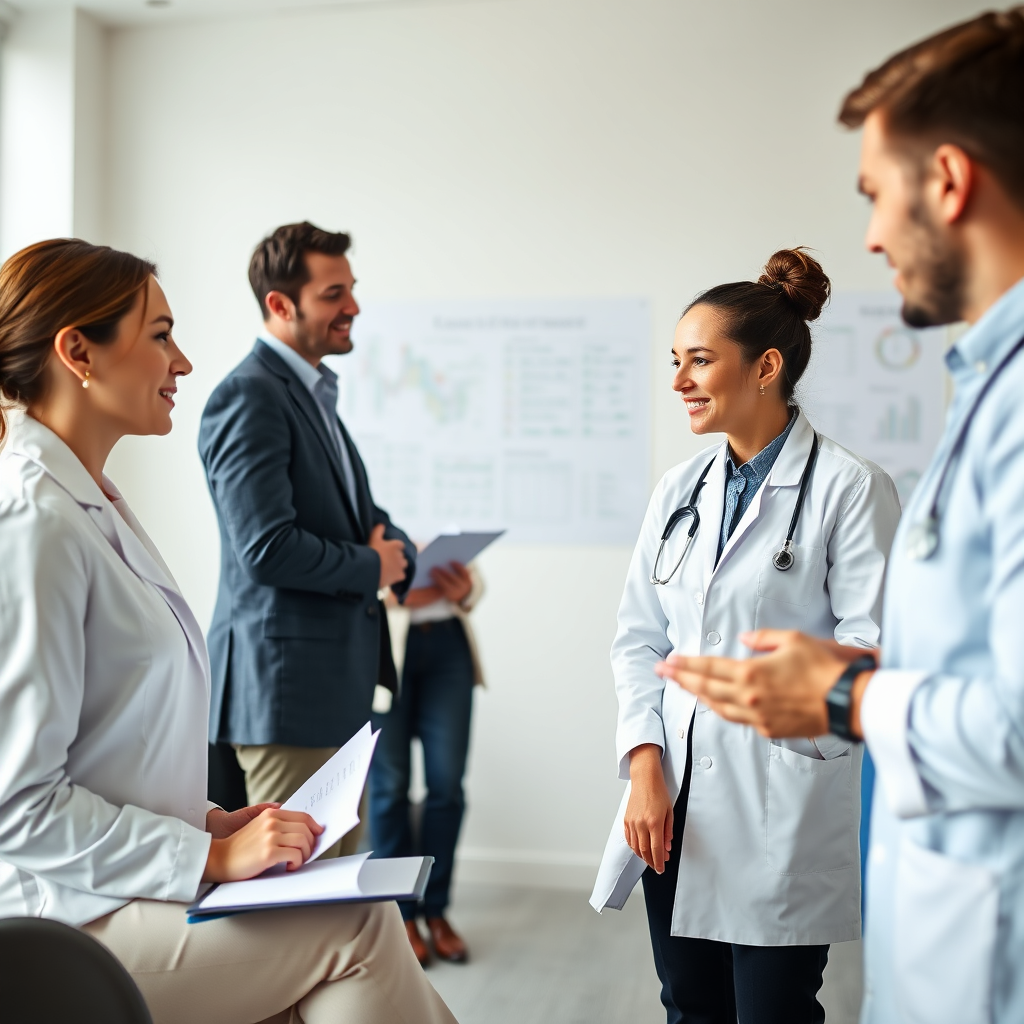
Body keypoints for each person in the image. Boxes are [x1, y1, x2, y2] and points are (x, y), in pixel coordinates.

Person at [658, 9, 1024, 1024]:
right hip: (940, 914)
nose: (867, 235)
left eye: (874, 193)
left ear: (946, 181)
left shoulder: (968, 426)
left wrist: (844, 691)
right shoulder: (986, 388)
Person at [0, 238, 457, 1023]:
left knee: (346, 910)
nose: (182, 362)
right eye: (160, 335)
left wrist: (211, 820)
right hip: (62, 916)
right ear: (78, 352)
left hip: (120, 885)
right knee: (354, 920)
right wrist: (207, 853)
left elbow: (106, 751)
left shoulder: (90, 504)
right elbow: (17, 807)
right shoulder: (33, 522)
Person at [590, 248, 902, 1024]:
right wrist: (644, 764)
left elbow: (876, 653)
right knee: (688, 1005)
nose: (679, 381)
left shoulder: (851, 488)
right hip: (670, 803)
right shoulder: (678, 489)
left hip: (778, 804)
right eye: (676, 361)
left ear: (765, 367)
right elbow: (639, 639)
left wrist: (797, 702)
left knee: (774, 1011)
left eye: (699, 360)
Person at [199, 222, 416, 852]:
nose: (353, 306)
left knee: (334, 887)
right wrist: (373, 566)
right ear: (280, 304)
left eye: (351, 289)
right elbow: (265, 548)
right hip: (287, 698)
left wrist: (404, 559)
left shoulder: (311, 394)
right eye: (333, 294)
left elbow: (361, 516)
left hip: (330, 690)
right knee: (297, 890)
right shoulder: (249, 395)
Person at [371, 559, 486, 965]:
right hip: (382, 646)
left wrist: (464, 590)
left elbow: (474, 579)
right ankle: (400, 915)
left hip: (448, 644)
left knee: (447, 786)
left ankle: (436, 911)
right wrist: (392, 592)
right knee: (388, 788)